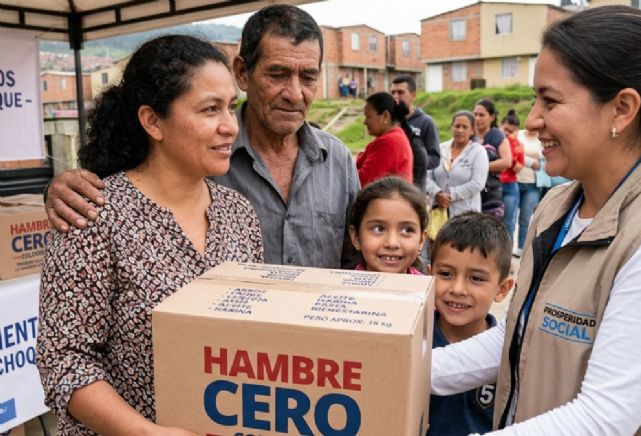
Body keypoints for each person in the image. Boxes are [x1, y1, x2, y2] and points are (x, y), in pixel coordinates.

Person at [431, 6, 641, 435]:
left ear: (622, 109)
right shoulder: (556, 207)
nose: (533, 120)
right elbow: (520, 337)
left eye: (550, 101)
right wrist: (397, 365)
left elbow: (603, 419)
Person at [36, 35, 265, 436]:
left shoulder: (238, 213)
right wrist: (144, 432)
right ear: (152, 121)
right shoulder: (92, 214)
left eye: (232, 107)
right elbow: (64, 359)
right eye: (210, 110)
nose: (230, 126)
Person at [43, 4, 360, 269]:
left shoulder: (338, 161)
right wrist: (62, 188)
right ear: (242, 73)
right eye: (277, 74)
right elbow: (119, 188)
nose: (294, 93)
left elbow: (358, 260)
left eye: (308, 77)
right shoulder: (194, 149)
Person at [427, 212, 513, 436]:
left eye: (476, 278)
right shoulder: (418, 340)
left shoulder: (506, 353)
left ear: (502, 289)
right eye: (446, 274)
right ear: (429, 277)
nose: (457, 289)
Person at [348, 176, 428, 274]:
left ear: (421, 240)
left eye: (407, 230)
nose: (392, 243)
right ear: (356, 237)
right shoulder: (338, 288)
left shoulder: (429, 288)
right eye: (378, 229)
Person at [427, 110, 489, 219]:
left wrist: (451, 195)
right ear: (452, 127)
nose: (460, 130)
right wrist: (437, 193)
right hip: (438, 213)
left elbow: (478, 183)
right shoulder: (440, 148)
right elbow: (427, 176)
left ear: (472, 131)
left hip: (466, 215)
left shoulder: (478, 152)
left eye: (465, 127)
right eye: (457, 126)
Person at [391, 75, 442, 185]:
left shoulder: (426, 122)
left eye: (400, 92)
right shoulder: (389, 122)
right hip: (391, 185)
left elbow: (435, 159)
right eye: (393, 93)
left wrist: (411, 161)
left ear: (413, 95)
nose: (395, 97)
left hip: (415, 188)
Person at [357, 92, 414, 186]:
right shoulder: (395, 136)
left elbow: (363, 181)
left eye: (368, 117)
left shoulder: (389, 142)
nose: (365, 122)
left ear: (385, 116)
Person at [473, 99, 512, 218]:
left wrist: (481, 167)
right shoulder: (469, 135)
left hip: (490, 195)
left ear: (492, 117)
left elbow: (507, 162)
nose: (477, 118)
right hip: (470, 193)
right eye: (475, 114)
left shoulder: (497, 135)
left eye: (482, 115)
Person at [513, 128, 542, 256]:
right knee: (511, 217)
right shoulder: (518, 134)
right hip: (515, 181)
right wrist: (530, 162)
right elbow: (512, 153)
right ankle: (507, 248)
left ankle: (521, 248)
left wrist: (522, 159)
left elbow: (543, 160)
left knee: (526, 217)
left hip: (533, 184)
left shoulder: (542, 137)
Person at [498, 109, 524, 239]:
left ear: (517, 130)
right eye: (505, 129)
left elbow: (518, 168)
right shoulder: (494, 141)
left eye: (511, 131)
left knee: (508, 223)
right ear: (500, 126)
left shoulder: (518, 145)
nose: (507, 133)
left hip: (510, 186)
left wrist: (510, 155)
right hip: (494, 186)